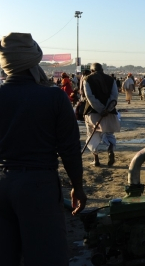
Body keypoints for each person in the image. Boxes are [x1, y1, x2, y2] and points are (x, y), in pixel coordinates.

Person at [0, 32, 87, 265]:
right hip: (39, 187)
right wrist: (77, 187)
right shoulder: (54, 97)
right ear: (33, 61)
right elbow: (69, 149)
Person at [83, 63, 120, 167]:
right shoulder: (111, 79)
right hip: (110, 113)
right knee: (109, 134)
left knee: (92, 134)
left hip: (92, 112)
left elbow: (90, 97)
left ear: (92, 70)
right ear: (102, 69)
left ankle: (96, 159)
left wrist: (100, 109)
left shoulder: (87, 79)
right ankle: (111, 149)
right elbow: (114, 95)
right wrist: (107, 109)